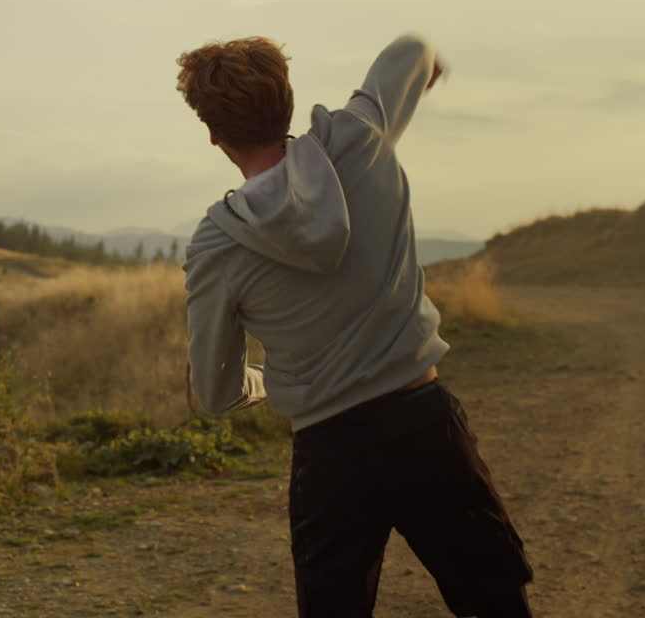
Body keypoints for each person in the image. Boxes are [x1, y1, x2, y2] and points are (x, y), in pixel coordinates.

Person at [176, 35, 534, 617]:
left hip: (330, 457)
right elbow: (411, 49)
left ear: (214, 134)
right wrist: (428, 71)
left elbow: (215, 393)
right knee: (496, 606)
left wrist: (269, 379)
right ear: (287, 102)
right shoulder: (359, 138)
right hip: (425, 425)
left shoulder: (216, 245)